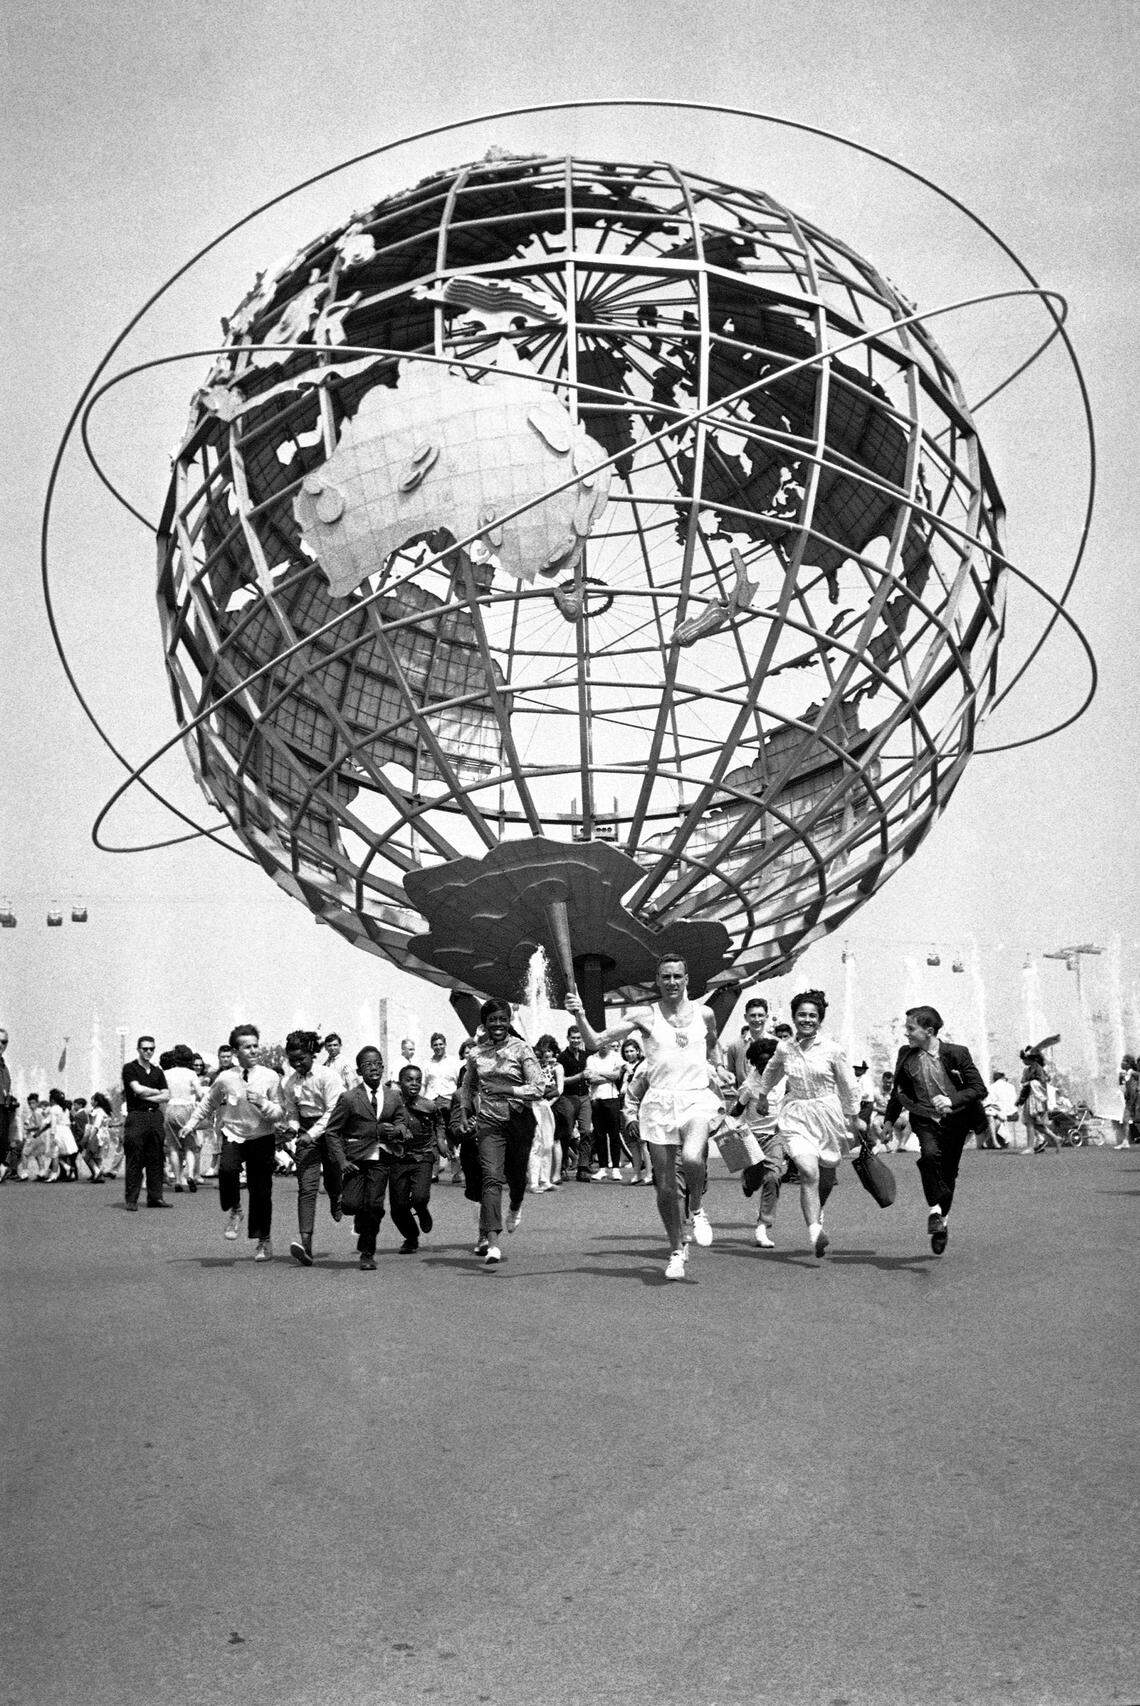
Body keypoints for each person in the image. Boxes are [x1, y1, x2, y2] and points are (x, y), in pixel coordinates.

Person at [567, 955, 723, 1282]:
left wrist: (719, 1068)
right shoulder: (646, 1016)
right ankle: (677, 1250)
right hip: (660, 1104)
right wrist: (579, 1014)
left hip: (696, 1098)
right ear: (657, 980)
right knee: (664, 1188)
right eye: (665, 977)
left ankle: (696, 1209)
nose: (671, 982)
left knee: (694, 1158)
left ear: (686, 978)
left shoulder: (705, 1013)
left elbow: (712, 1044)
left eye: (677, 976)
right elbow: (595, 1042)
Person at [754, 990, 861, 1258]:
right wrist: (763, 1095)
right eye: (802, 1015)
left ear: (820, 1019)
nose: (807, 1019)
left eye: (812, 1015)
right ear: (793, 1017)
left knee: (826, 1175)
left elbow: (848, 1083)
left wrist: (855, 1116)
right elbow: (771, 1071)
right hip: (797, 1115)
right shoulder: (784, 1047)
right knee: (807, 1171)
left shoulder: (833, 1050)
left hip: (828, 1115)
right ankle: (815, 1231)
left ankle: (818, 1210)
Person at [883, 1006, 988, 1254]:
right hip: (924, 1117)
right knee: (930, 1156)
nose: (905, 1033)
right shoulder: (906, 1055)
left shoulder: (957, 1053)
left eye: (911, 1028)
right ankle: (934, 1211)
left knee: (949, 1174)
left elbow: (979, 1088)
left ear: (928, 1031)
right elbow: (898, 1091)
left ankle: (943, 1221)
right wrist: (889, 1121)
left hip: (956, 1120)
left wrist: (952, 1100)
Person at [180, 1024, 283, 1260]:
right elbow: (208, 1103)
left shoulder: (270, 1076)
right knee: (226, 1170)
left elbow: (279, 1112)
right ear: (236, 1052)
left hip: (261, 1136)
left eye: (256, 1045)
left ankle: (263, 1241)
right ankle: (235, 1209)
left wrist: (263, 1104)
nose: (254, 1050)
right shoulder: (225, 1078)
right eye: (247, 1047)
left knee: (261, 1191)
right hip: (233, 1134)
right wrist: (191, 1123)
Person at [457, 999, 543, 1266]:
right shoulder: (476, 1055)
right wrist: (463, 1113)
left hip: (519, 1122)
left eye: (502, 1019)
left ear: (509, 1022)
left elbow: (538, 1087)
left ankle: (516, 1206)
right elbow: (467, 1086)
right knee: (491, 1179)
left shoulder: (521, 1049)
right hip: (489, 1124)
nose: (497, 1024)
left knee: (516, 1178)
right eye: (492, 1020)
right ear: (484, 1024)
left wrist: (509, 1091)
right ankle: (493, 1243)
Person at [323, 1047, 416, 1268]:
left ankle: (367, 1252)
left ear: (383, 1067)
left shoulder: (394, 1095)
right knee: (351, 1204)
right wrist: (342, 1161)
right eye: (367, 1065)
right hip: (355, 1159)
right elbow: (332, 1131)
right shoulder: (348, 1098)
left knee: (374, 1206)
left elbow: (401, 1119)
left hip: (382, 1158)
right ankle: (343, 1202)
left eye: (377, 1063)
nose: (373, 1068)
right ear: (359, 1070)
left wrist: (399, 1129)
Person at [280, 1029, 347, 1268]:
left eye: (302, 1059)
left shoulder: (327, 1076)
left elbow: (333, 1111)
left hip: (331, 1130)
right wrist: (292, 1129)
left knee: (332, 1178)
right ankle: (306, 1244)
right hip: (306, 1133)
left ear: (312, 1054)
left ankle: (336, 1196)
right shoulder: (288, 1082)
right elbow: (292, 1111)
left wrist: (312, 1134)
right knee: (306, 1188)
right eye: (292, 1060)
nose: (297, 1064)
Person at [735, 1033, 785, 1247]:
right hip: (751, 1139)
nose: (767, 1068)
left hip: (775, 1136)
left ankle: (763, 1226)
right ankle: (748, 1180)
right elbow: (737, 1108)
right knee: (755, 1179)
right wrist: (723, 1123)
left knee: (773, 1177)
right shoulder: (750, 1085)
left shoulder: (784, 1079)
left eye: (770, 1063)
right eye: (762, 1064)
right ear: (755, 1064)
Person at [387, 1064, 436, 1253]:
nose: (414, 1083)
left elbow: (438, 1122)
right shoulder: (392, 1104)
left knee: (420, 1196)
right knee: (398, 1207)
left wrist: (439, 1140)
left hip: (423, 1155)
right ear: (400, 1083)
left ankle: (422, 1210)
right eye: (409, 1080)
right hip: (398, 1158)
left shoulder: (428, 1105)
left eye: (418, 1080)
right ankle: (411, 1237)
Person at [121, 1036, 171, 1210]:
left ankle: (155, 1197)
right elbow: (137, 1090)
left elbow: (166, 1095)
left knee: (156, 1158)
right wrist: (156, 1093)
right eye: (145, 1049)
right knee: (135, 1157)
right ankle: (132, 1199)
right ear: (138, 1049)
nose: (148, 1052)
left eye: (151, 1049)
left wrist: (150, 1094)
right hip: (137, 1116)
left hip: (155, 1116)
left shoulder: (158, 1071)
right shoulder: (130, 1068)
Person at [556, 1024, 595, 1180]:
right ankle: (562, 1167)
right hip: (568, 1097)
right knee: (566, 1132)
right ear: (568, 1038)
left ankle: (583, 1167)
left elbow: (590, 1075)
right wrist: (580, 1076)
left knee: (586, 1131)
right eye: (573, 1038)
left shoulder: (586, 1056)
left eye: (579, 1038)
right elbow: (561, 1080)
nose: (576, 1040)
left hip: (584, 1096)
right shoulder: (562, 1057)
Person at [163, 1044, 203, 1192]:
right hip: (187, 1108)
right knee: (189, 1146)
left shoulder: (167, 1073)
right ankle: (190, 1174)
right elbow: (199, 1093)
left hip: (171, 1107)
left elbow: (163, 1093)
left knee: (173, 1147)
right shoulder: (191, 1074)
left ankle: (178, 1179)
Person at [422, 1032, 462, 1179]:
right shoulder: (427, 1063)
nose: (438, 1047)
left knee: (451, 1136)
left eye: (440, 1044)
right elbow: (424, 1084)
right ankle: (434, 1172)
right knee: (433, 1136)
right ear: (431, 1046)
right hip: (432, 1101)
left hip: (449, 1100)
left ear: (445, 1045)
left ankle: (456, 1172)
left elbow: (459, 1083)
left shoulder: (453, 1062)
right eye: (435, 1045)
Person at [585, 1038, 625, 1179]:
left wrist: (600, 1073)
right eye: (600, 1044)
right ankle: (602, 1168)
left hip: (612, 1098)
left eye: (606, 1043)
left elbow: (616, 1075)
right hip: (596, 1099)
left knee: (614, 1134)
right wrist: (608, 1076)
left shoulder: (615, 1056)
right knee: (599, 1134)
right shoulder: (591, 1058)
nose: (603, 1046)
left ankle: (615, 1168)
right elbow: (590, 1078)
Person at [529, 1034, 563, 1192]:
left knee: (548, 1143)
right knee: (536, 1144)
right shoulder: (530, 1069)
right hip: (533, 1106)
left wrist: (545, 1092)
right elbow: (534, 1090)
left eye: (542, 1055)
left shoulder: (551, 1068)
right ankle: (534, 1182)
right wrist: (543, 1091)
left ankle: (545, 1180)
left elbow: (554, 1090)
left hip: (544, 1106)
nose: (541, 1058)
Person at [617, 1038, 652, 1184]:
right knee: (631, 1141)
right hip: (623, 1104)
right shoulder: (623, 1068)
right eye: (626, 1051)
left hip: (639, 1105)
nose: (629, 1054)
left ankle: (649, 1173)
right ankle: (637, 1172)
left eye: (632, 1051)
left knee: (643, 1140)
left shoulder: (643, 1067)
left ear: (638, 1051)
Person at [725, 997, 769, 1087]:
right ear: (746, 1017)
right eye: (753, 1015)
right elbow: (731, 1075)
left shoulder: (777, 1044)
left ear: (766, 1017)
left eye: (760, 1015)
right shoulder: (735, 1046)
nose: (757, 1019)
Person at [48, 1088, 79, 1180]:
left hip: (58, 1132)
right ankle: (67, 1168)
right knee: (58, 1154)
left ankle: (54, 1175)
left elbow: (53, 1124)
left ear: (53, 1100)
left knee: (54, 1154)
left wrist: (53, 1136)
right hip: (66, 1132)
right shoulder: (65, 1109)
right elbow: (68, 1123)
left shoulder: (54, 1109)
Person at [984, 1070, 1019, 1149]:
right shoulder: (1011, 1086)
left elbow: (988, 1101)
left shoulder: (992, 1087)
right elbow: (1014, 1100)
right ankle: (992, 1142)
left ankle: (990, 1141)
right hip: (1010, 1111)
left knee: (992, 1117)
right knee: (994, 1118)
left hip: (1001, 1111)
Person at [85, 1092, 113, 1181]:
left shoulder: (99, 1111)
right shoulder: (101, 1111)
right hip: (102, 1135)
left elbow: (96, 1125)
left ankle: (97, 1172)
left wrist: (90, 1137)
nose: (91, 1101)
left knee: (87, 1156)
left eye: (92, 1100)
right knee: (97, 1156)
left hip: (98, 1135)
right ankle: (97, 1174)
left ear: (96, 1102)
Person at [0, 1027, 15, 1182]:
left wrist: (10, 1099)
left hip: (3, 1109)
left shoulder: (4, 1067)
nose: (1, 1045)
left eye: (4, 1041)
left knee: (3, 1142)